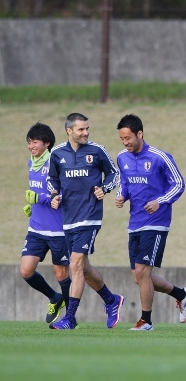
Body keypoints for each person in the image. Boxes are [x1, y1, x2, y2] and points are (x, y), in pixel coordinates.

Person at [114, 114, 186, 331]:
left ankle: (146, 321)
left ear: (140, 134)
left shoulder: (160, 157)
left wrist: (160, 201)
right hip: (135, 223)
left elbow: (179, 184)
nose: (125, 142)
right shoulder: (122, 157)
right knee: (138, 277)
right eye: (122, 139)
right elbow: (124, 182)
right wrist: (122, 195)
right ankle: (182, 294)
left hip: (156, 222)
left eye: (128, 137)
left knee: (143, 273)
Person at [47, 112, 122, 330]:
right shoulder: (57, 153)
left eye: (87, 128)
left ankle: (69, 318)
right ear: (69, 131)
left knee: (76, 264)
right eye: (81, 129)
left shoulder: (97, 150)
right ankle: (111, 300)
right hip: (69, 218)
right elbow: (52, 180)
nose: (85, 133)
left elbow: (113, 174)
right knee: (84, 269)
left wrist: (104, 189)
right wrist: (54, 196)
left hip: (90, 216)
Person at [20, 122, 71, 324]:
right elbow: (38, 192)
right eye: (29, 142)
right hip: (36, 228)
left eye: (35, 142)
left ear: (47, 143)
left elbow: (63, 195)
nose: (31, 146)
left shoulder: (56, 164)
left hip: (58, 230)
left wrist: (40, 199)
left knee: (61, 274)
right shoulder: (31, 163)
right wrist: (32, 206)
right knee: (26, 270)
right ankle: (54, 297)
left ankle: (68, 318)